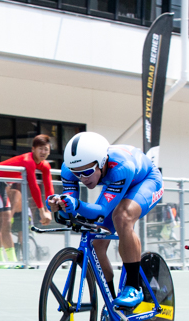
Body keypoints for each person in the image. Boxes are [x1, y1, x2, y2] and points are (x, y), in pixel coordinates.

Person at [47, 132, 163, 309]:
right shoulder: (71, 169)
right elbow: (69, 211)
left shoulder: (121, 167)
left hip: (145, 180)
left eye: (87, 172)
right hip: (116, 183)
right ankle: (112, 306)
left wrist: (76, 204)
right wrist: (60, 206)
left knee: (122, 217)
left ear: (102, 162)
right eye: (77, 175)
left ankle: (134, 287)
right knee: (96, 242)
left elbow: (99, 212)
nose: (83, 179)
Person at [0, 134, 54, 264]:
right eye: (40, 149)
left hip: (4, 184)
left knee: (6, 223)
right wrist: (41, 211)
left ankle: (12, 262)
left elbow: (48, 186)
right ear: (33, 149)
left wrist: (49, 211)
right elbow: (34, 186)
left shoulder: (45, 165)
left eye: (46, 149)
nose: (43, 152)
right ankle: (0, 263)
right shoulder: (28, 160)